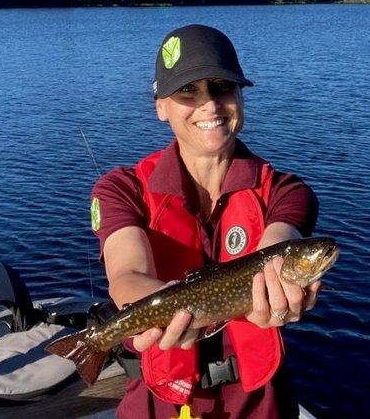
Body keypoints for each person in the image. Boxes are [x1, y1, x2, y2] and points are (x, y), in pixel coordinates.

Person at [90, 24, 321, 419]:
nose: (210, 105)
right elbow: (127, 274)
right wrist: (168, 317)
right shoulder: (121, 189)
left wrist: (280, 286)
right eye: (187, 92)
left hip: (258, 403)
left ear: (241, 97)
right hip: (156, 402)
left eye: (222, 88)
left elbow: (278, 245)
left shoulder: (286, 190)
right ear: (160, 105)